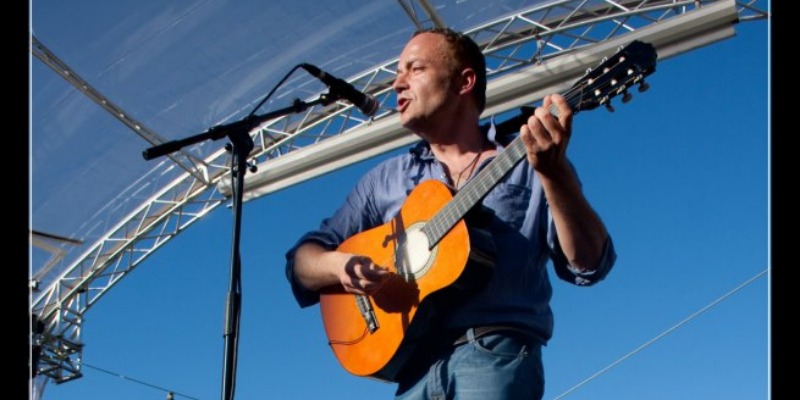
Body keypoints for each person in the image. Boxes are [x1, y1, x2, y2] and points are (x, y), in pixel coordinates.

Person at [284, 27, 616, 399]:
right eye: (398, 73)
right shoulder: (385, 181)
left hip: (494, 356)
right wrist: (339, 267)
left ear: (464, 81)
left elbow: (590, 263)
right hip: (413, 371)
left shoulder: (529, 160)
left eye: (415, 68)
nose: (398, 83)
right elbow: (301, 263)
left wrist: (555, 175)